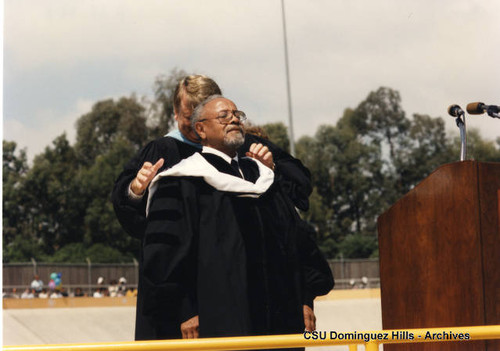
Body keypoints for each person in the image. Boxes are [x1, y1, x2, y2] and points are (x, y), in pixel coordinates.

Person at [112, 75, 326, 340]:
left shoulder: (250, 156)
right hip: (206, 316)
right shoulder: (168, 158)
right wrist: (135, 189)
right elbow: (157, 242)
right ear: (184, 117)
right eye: (188, 115)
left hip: (272, 315)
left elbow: (295, 223)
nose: (233, 120)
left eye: (234, 114)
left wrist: (304, 296)